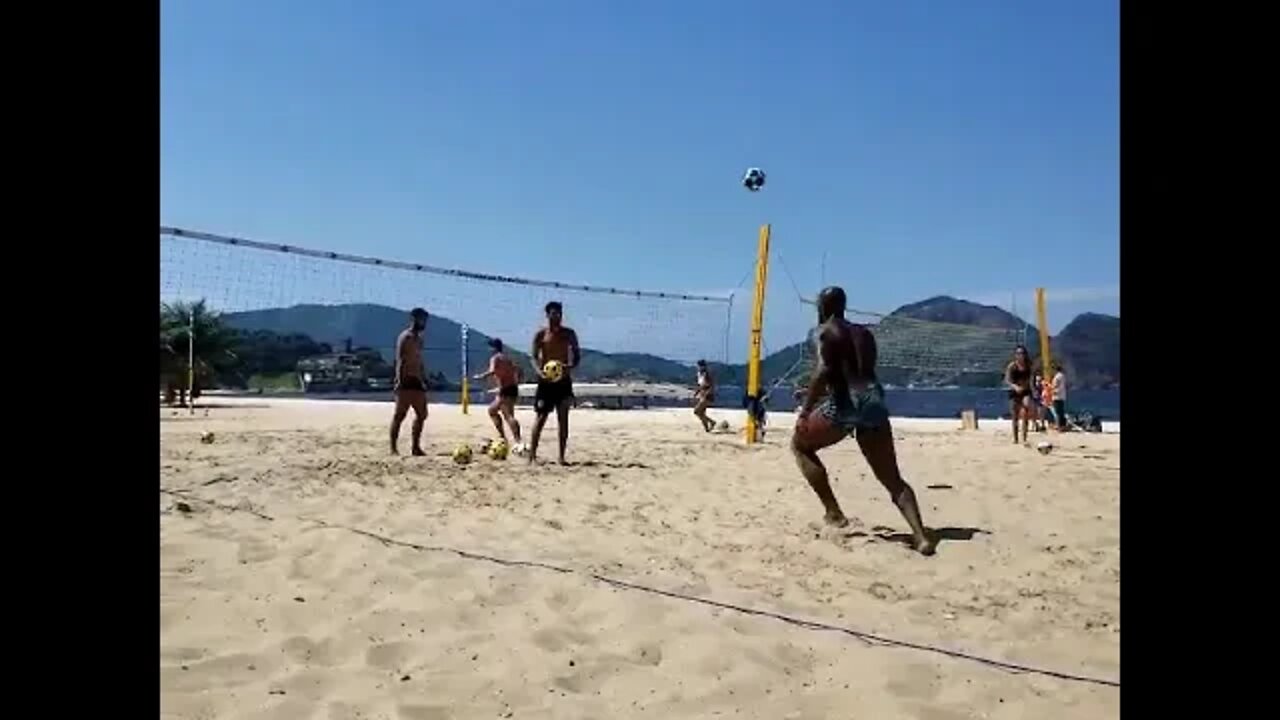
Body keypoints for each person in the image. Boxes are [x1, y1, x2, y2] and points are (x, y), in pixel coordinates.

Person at [791, 286, 935, 556]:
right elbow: (857, 373)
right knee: (892, 479)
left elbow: (825, 371)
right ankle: (921, 536)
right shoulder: (865, 334)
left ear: (823, 307)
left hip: (845, 405)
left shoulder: (821, 331)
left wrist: (805, 410)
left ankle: (834, 513)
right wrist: (818, 392)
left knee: (800, 445)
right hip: (873, 400)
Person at [527, 301, 581, 464]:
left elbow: (577, 356)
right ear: (547, 315)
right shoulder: (541, 335)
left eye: (559, 313)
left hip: (563, 380)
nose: (557, 317)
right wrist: (539, 372)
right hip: (546, 381)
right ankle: (532, 456)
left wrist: (569, 366)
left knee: (563, 418)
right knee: (541, 416)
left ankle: (561, 457)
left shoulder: (569, 334)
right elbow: (533, 357)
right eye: (553, 313)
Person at [390, 307, 430, 456]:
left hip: (417, 380)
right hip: (405, 380)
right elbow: (400, 360)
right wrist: (399, 380)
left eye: (425, 320)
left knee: (422, 414)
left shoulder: (419, 340)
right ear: (414, 319)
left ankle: (415, 447)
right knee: (399, 415)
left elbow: (419, 361)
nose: (424, 323)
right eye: (422, 319)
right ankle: (393, 448)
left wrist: (424, 378)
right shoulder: (405, 337)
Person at [472, 338, 522, 445]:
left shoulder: (495, 358)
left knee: (507, 416)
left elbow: (492, 371)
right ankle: (506, 438)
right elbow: (517, 369)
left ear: (493, 348)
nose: (488, 350)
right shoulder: (507, 358)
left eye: (490, 347)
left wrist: (480, 377)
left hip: (505, 389)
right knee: (494, 411)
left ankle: (516, 440)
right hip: (512, 388)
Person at [1004, 345, 1034, 444]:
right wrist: (1016, 387)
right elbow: (1007, 380)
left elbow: (1031, 379)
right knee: (1015, 416)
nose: (1020, 355)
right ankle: (1015, 438)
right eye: (1018, 353)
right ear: (1015, 355)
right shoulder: (1012, 366)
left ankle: (1024, 438)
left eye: (1022, 353)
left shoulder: (1028, 365)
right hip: (1014, 391)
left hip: (1025, 391)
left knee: (1026, 411)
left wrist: (1034, 389)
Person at [693, 359, 716, 432]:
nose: (698, 367)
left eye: (699, 366)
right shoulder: (699, 374)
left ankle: (712, 422)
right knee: (702, 413)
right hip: (702, 394)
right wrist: (697, 392)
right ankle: (707, 428)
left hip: (707, 395)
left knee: (696, 411)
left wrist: (707, 393)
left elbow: (712, 385)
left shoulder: (707, 374)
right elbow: (700, 385)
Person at [1051, 362, 1068, 431]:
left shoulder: (1057, 377)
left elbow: (1057, 386)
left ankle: (1059, 426)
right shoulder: (1063, 376)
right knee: (1061, 411)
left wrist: (1053, 391)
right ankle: (1062, 425)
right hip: (1062, 396)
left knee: (1057, 412)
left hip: (1057, 396)